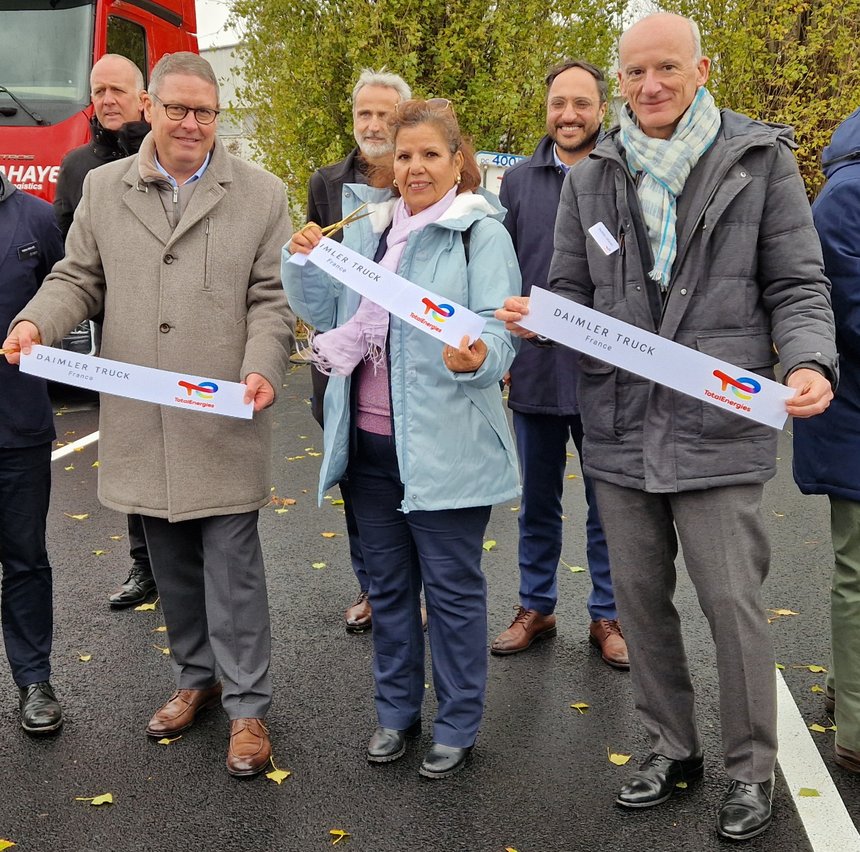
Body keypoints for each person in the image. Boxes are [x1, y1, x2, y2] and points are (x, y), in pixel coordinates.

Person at [497, 13, 836, 841]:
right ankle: (670, 748)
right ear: (620, 81)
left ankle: (751, 770)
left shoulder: (760, 162)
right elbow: (570, 286)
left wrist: (808, 362)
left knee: (732, 604)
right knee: (641, 603)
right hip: (617, 426)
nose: (650, 86)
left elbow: (797, 284)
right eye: (636, 72)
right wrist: (544, 319)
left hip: (718, 426)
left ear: (701, 69)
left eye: (667, 69)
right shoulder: (592, 177)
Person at [4, 52, 295, 777]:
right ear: (151, 109)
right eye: (177, 109)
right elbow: (77, 277)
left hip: (223, 414)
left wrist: (263, 364)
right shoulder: (104, 189)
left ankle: (248, 709)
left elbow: (271, 298)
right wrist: (36, 323)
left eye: (205, 112)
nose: (191, 123)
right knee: (170, 563)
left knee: (232, 566)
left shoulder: (262, 194)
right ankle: (197, 678)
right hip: (144, 416)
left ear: (217, 116)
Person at [284, 98, 520, 778]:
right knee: (388, 590)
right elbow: (322, 309)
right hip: (367, 444)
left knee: (451, 592)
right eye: (405, 155)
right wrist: (302, 260)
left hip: (447, 447)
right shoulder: (369, 227)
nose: (415, 167)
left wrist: (479, 357)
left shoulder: (480, 234)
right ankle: (395, 713)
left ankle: (458, 723)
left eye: (430, 155)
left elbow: (498, 330)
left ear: (457, 161)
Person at [492, 59, 627, 670]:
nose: (568, 115)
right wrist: (503, 350)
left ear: (602, 108)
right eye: (558, 103)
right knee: (538, 502)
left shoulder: (623, 178)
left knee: (609, 504)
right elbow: (501, 273)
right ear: (546, 110)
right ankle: (536, 606)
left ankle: (609, 613)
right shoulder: (518, 184)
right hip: (536, 372)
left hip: (606, 374)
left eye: (581, 103)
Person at [305, 68, 411, 634]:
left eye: (384, 114)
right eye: (363, 113)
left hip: (408, 360)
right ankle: (371, 586)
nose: (372, 125)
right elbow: (318, 275)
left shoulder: (420, 176)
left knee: (414, 482)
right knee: (356, 477)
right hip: (347, 362)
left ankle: (413, 587)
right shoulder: (326, 183)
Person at [53, 52, 157, 610]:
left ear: (143, 98)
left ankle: (189, 560)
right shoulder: (77, 168)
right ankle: (145, 565)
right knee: (133, 448)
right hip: (118, 334)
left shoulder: (166, 153)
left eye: (118, 89)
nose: (108, 100)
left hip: (180, 326)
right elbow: (72, 257)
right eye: (99, 91)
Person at [793, 106, 860, 774]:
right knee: (859, 572)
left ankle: (847, 691)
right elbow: (843, 309)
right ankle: (858, 732)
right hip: (852, 413)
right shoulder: (847, 195)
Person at [0, 172, 65, 734]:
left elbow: (70, 298)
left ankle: (34, 680)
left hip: (18, 427)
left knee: (24, 559)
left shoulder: (38, 219)